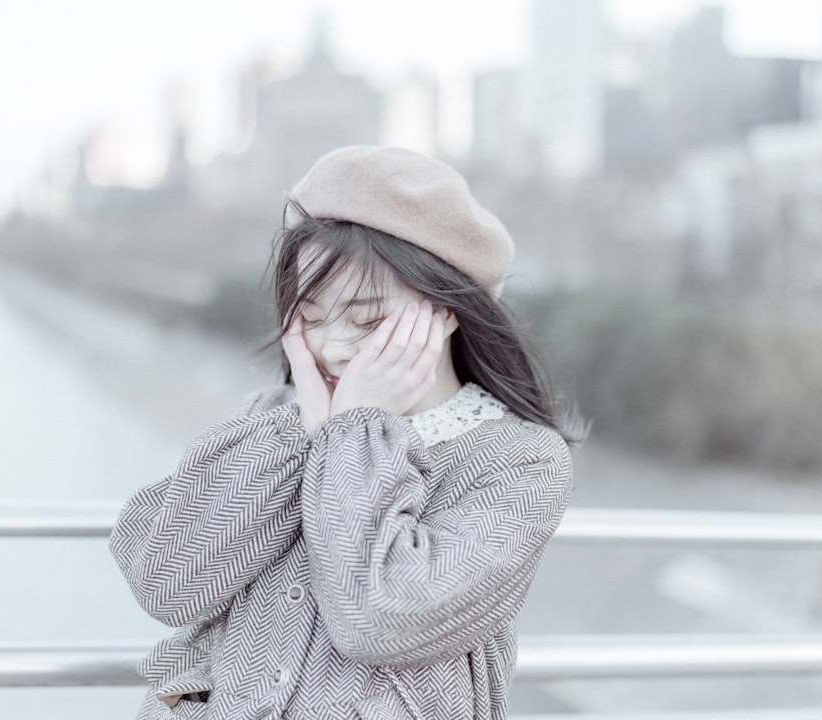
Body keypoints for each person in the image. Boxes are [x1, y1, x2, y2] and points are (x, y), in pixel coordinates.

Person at [109, 145, 584, 720]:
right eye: (308, 316)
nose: (332, 346)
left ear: (449, 308)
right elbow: (164, 579)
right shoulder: (274, 417)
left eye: (367, 318)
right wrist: (302, 433)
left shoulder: (519, 461)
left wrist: (354, 433)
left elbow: (380, 617)